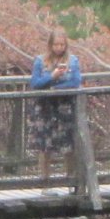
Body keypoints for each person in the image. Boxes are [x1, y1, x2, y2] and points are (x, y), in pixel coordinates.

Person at [29, 27, 82, 179]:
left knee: (68, 143)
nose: (59, 48)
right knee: (45, 144)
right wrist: (51, 76)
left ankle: (71, 178)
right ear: (50, 45)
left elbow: (76, 81)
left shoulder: (72, 61)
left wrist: (56, 87)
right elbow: (35, 83)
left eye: (62, 45)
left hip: (65, 106)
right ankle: (45, 179)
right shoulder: (40, 61)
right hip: (44, 107)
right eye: (56, 45)